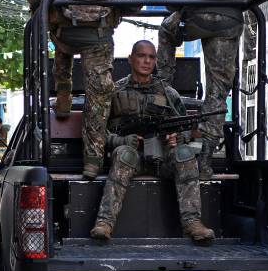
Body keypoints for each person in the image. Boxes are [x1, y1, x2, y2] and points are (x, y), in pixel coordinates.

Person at [157, 0, 268, 178]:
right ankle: (206, 161)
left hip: (195, 17)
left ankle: (163, 90)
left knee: (166, 34)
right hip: (230, 21)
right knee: (218, 93)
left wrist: (180, 6)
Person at [27, 0, 140, 179]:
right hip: (98, 38)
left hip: (64, 35)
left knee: (56, 41)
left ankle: (62, 90)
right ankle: (92, 162)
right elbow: (135, 2)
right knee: (98, 98)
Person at [90, 41, 215, 245]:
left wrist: (177, 137)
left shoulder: (168, 93)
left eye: (151, 57)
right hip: (133, 159)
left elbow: (184, 126)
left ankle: (193, 222)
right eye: (142, 56)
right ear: (131, 59)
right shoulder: (115, 91)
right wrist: (120, 140)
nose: (147, 61)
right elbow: (95, 132)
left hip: (163, 158)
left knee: (185, 153)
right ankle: (105, 223)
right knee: (124, 153)